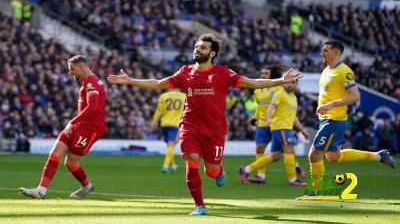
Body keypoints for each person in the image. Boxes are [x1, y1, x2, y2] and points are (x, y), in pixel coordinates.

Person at [107, 33, 303, 215]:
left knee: (210, 170)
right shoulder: (185, 72)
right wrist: (131, 80)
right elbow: (159, 83)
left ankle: (219, 171)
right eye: (196, 47)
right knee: (191, 161)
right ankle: (200, 205)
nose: (197, 50)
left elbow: (252, 83)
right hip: (189, 126)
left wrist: (280, 81)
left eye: (202, 48)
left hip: (214, 130)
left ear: (212, 53)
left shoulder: (223, 73)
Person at [307, 40, 395, 193]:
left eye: (325, 50)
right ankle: (378, 156)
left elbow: (355, 96)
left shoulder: (344, 71)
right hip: (327, 119)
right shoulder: (327, 70)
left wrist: (332, 105)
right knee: (333, 157)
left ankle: (317, 192)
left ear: (335, 53)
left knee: (314, 155)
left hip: (333, 120)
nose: (322, 53)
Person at [20, 55, 107, 199]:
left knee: (70, 162)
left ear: (81, 67)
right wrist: (75, 123)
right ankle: (41, 190)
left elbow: (92, 108)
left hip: (91, 128)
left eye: (72, 69)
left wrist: (72, 121)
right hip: (80, 124)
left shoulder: (93, 83)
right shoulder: (87, 82)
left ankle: (86, 186)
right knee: (55, 153)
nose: (70, 72)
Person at [240, 80, 310, 186]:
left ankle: (247, 169)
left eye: (293, 83)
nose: (290, 84)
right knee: (290, 149)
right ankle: (292, 180)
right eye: (288, 82)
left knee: (276, 155)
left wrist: (302, 130)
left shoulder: (293, 98)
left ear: (296, 85)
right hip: (280, 126)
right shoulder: (279, 94)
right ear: (283, 83)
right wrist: (268, 119)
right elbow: (270, 108)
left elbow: (293, 116)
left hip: (285, 127)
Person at [151, 89, 185, 173]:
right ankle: (165, 166)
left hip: (164, 124)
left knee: (169, 145)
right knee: (171, 144)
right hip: (175, 124)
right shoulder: (184, 96)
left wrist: (155, 121)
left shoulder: (163, 96)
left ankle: (173, 165)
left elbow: (159, 110)